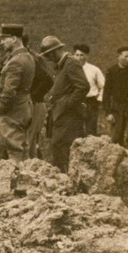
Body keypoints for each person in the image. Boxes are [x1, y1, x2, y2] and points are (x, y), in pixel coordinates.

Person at [38, 36, 89, 173]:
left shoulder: (70, 63)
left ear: (54, 52)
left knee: (62, 147)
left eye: (48, 55)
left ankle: (66, 179)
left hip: (68, 116)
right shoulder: (62, 64)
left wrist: (68, 104)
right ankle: (63, 179)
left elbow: (83, 86)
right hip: (60, 114)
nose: (48, 59)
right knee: (58, 147)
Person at [0, 23, 36, 162]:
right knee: (23, 148)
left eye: (5, 38)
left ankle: (16, 181)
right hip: (24, 107)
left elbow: (8, 92)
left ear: (14, 39)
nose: (1, 42)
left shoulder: (15, 62)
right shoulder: (27, 57)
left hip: (13, 111)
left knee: (14, 150)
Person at [103, 46, 128, 152]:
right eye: (126, 56)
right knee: (116, 139)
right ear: (119, 56)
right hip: (117, 109)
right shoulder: (111, 71)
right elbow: (107, 93)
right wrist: (108, 112)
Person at [23, 33, 55, 161]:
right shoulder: (19, 57)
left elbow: (48, 80)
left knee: (28, 142)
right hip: (25, 105)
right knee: (28, 143)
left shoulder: (32, 58)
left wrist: (32, 97)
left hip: (34, 104)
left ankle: (31, 173)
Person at [71, 44, 104, 137]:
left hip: (90, 102)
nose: (79, 57)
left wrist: (99, 99)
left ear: (86, 56)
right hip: (75, 101)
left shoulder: (94, 70)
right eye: (77, 55)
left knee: (91, 128)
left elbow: (103, 86)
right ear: (73, 55)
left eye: (82, 55)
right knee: (76, 128)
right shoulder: (70, 69)